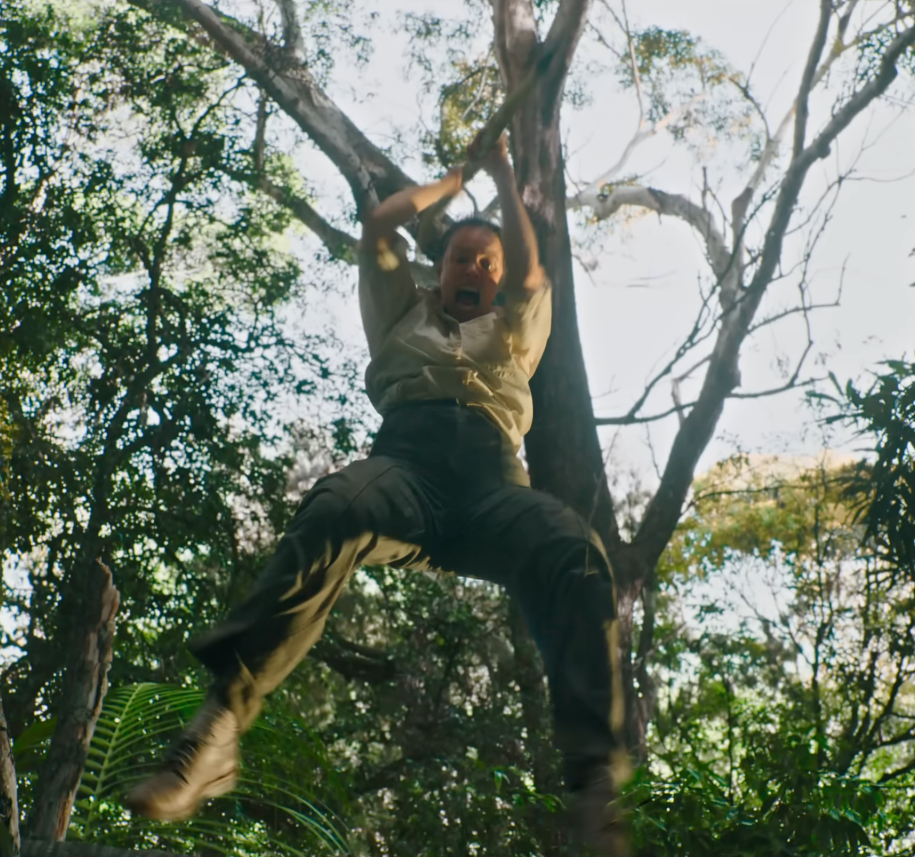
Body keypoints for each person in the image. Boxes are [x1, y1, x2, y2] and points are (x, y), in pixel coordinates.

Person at [120, 138, 631, 854]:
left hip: (492, 485)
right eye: (462, 258)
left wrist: (505, 170)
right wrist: (452, 181)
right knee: (336, 505)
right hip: (406, 471)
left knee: (574, 550)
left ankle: (597, 787)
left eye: (488, 263)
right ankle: (217, 729)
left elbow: (531, 267)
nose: (476, 269)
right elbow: (382, 223)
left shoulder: (515, 328)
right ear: (439, 269)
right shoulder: (401, 310)